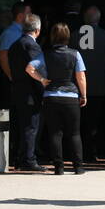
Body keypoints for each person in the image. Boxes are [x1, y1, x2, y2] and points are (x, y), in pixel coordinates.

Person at [27, 22, 87, 175]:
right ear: (67, 37)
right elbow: (80, 77)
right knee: (74, 133)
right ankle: (78, 167)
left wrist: (41, 79)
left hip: (51, 97)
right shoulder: (75, 54)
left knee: (55, 133)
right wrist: (84, 95)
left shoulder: (45, 54)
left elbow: (29, 68)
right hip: (71, 97)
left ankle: (58, 167)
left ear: (52, 37)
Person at [8, 13, 47, 171]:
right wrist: (44, 88)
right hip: (30, 93)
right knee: (31, 127)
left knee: (20, 126)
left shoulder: (14, 45)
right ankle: (29, 160)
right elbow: (37, 70)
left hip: (17, 90)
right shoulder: (32, 46)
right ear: (37, 30)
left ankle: (19, 158)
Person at [75, 6, 105, 163]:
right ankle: (94, 151)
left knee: (79, 122)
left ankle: (80, 151)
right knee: (96, 121)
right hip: (100, 86)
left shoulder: (73, 36)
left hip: (78, 86)